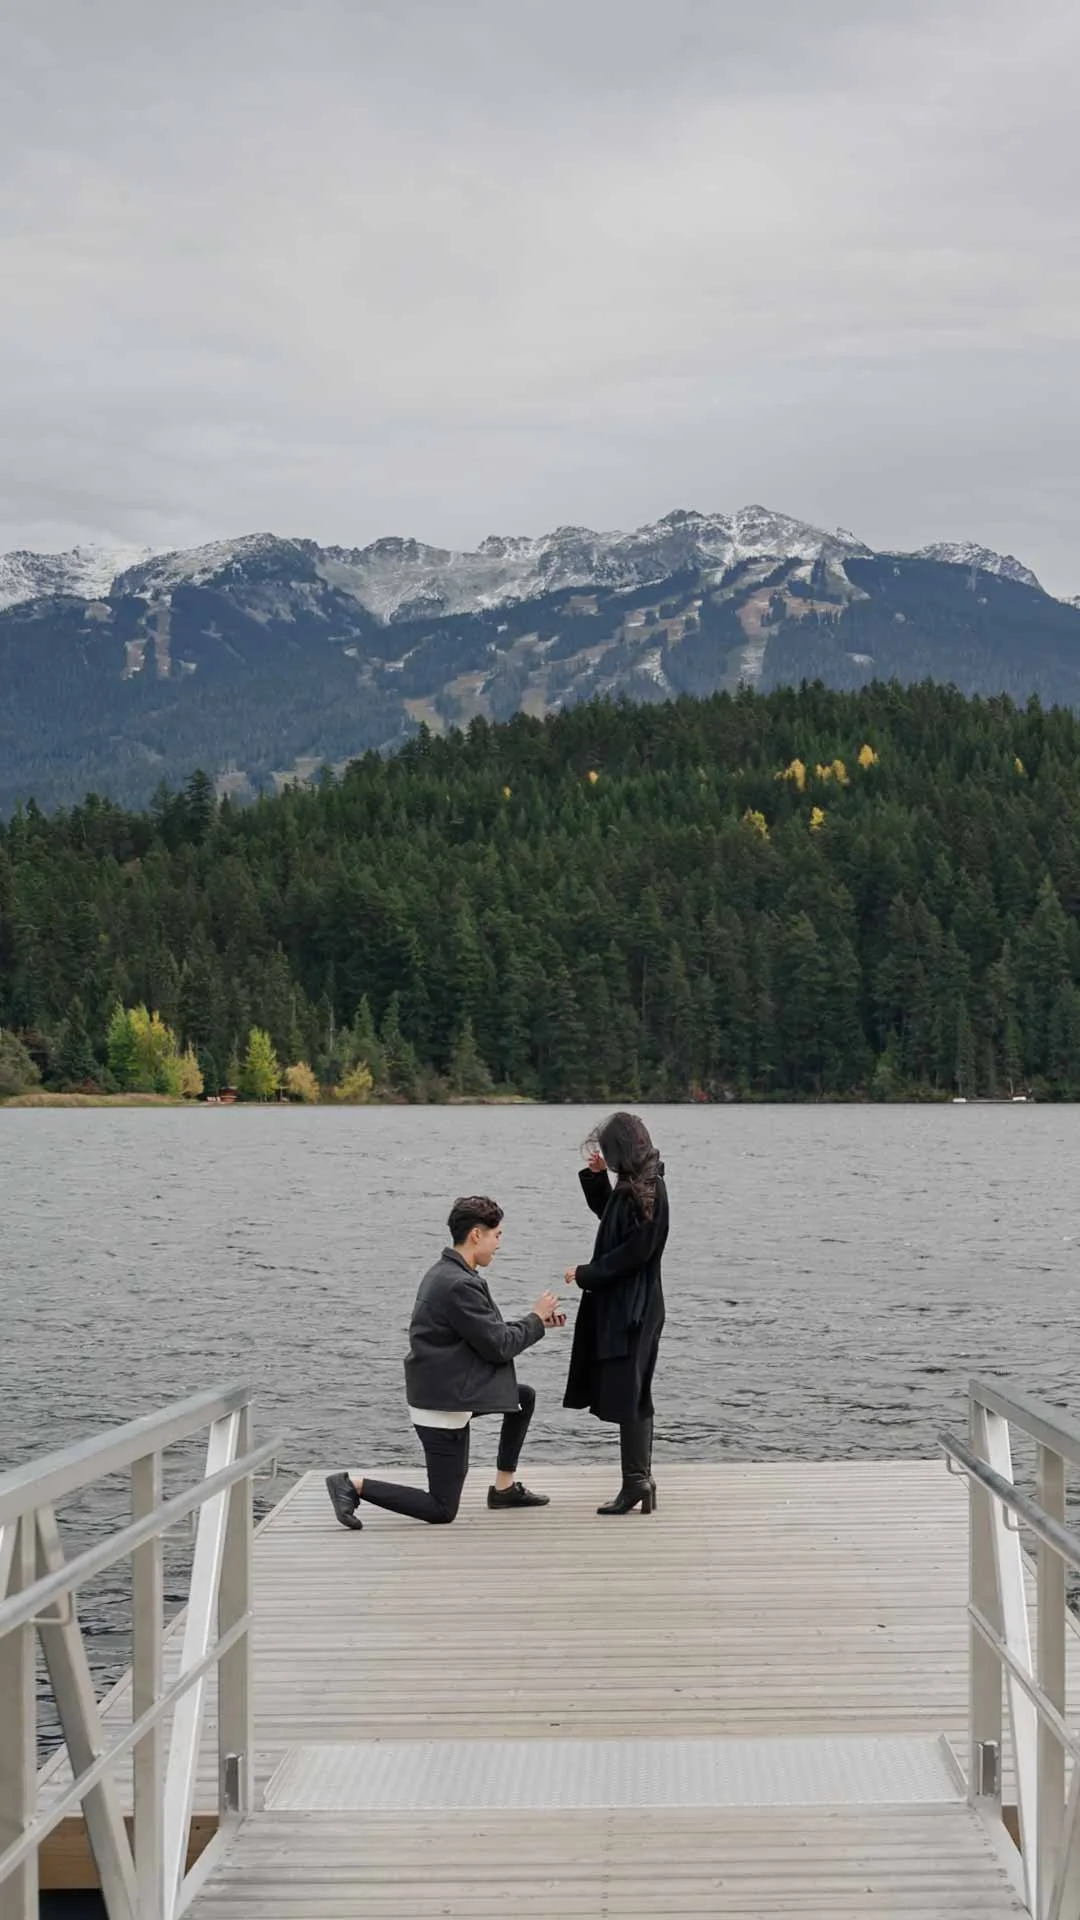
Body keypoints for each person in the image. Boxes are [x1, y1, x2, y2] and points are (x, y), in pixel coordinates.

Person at [326, 1195, 562, 1529]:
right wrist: (535, 1318)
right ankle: (352, 1486)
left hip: (447, 1388)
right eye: (497, 1235)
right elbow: (499, 1346)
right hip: (441, 1404)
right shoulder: (458, 1284)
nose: (499, 1244)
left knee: (522, 1398)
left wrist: (537, 1324)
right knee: (441, 1508)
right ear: (477, 1235)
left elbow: (486, 1334)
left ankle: (504, 1489)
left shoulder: (448, 1272)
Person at [562, 1113, 669, 1515]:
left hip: (634, 1306)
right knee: (635, 1390)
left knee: (631, 1390)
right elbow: (615, 1222)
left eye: (606, 1151)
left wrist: (588, 1274)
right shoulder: (640, 1183)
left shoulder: (647, 1189)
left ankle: (636, 1482)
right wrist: (597, 1179)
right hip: (637, 1302)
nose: (603, 1156)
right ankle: (640, 1480)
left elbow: (634, 1253)